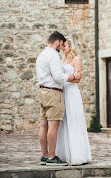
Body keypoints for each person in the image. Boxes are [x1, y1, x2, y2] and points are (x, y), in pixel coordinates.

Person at [36, 31, 82, 166]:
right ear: (57, 42)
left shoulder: (42, 54)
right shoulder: (53, 55)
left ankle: (44, 155)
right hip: (53, 93)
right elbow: (58, 77)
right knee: (53, 126)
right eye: (61, 44)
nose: (61, 48)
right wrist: (73, 77)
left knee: (43, 125)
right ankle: (51, 157)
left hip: (43, 91)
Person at [55, 38, 92, 165]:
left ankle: (77, 154)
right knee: (64, 122)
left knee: (74, 121)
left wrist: (64, 78)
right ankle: (65, 154)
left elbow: (77, 79)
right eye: (62, 45)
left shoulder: (76, 59)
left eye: (64, 45)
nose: (63, 47)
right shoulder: (62, 60)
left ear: (70, 45)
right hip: (63, 92)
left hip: (72, 93)